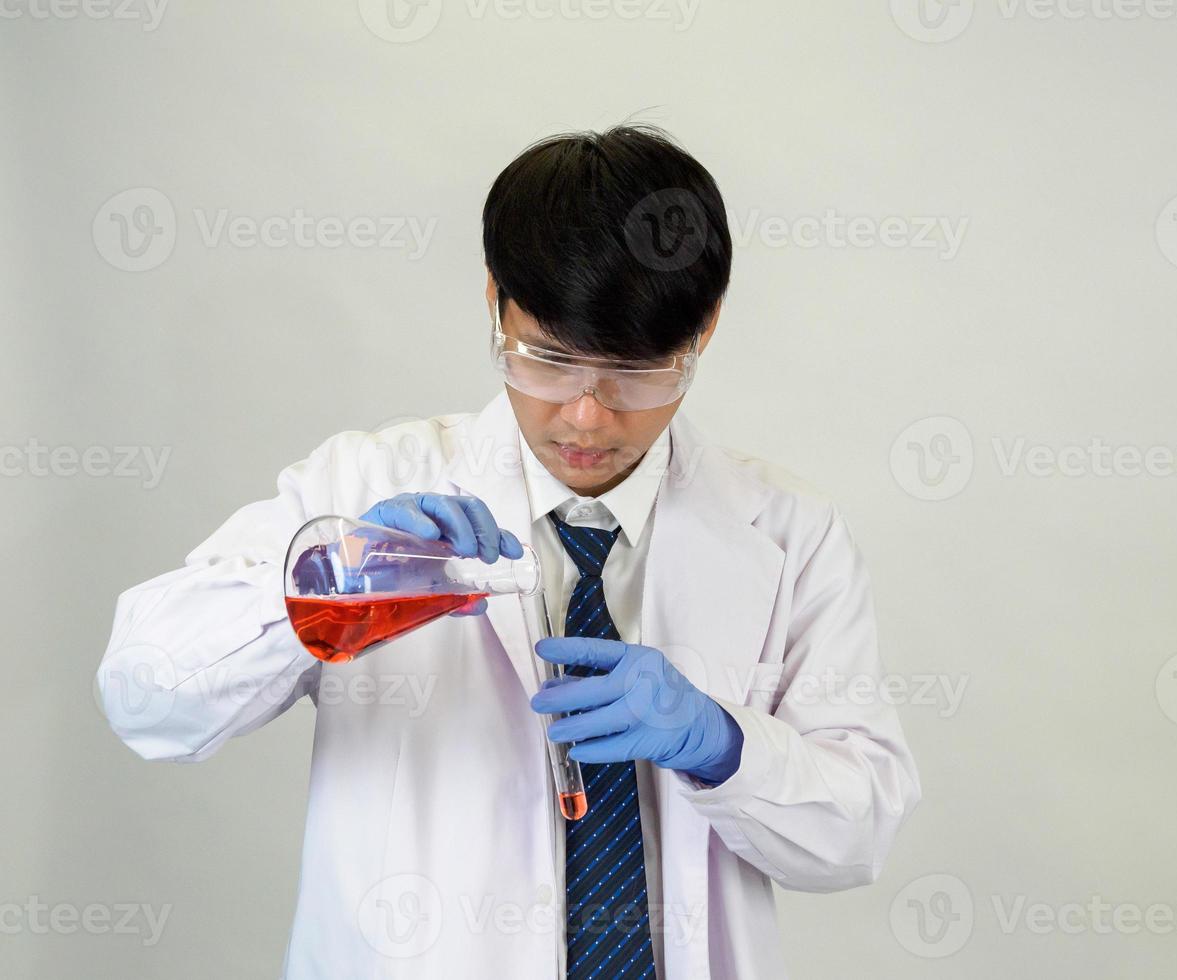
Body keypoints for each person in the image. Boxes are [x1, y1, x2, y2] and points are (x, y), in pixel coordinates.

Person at [97, 124, 922, 980]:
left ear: (703, 331)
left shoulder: (788, 533)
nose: (587, 415)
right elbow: (143, 696)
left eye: (636, 371)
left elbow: (857, 834)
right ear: (495, 303)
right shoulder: (359, 487)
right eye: (551, 360)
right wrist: (323, 594)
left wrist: (721, 744)